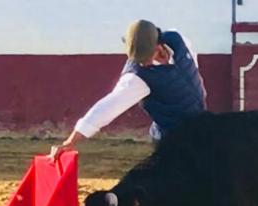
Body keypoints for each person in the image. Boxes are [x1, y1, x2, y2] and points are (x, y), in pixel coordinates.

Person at [49, 19, 207, 159]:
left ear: (158, 46)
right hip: (172, 139)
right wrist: (71, 141)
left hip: (199, 126)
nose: (143, 64)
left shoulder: (178, 39)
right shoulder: (136, 77)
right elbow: (107, 107)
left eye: (145, 58)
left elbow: (192, 65)